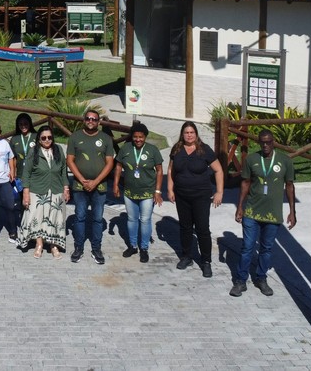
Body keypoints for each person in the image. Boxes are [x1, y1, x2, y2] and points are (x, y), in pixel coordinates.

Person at [230, 129, 297, 297]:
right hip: (252, 211)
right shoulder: (252, 159)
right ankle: (240, 281)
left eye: (269, 142)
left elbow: (289, 186)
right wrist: (240, 206)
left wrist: (292, 211)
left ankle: (261, 278)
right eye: (263, 142)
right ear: (259, 143)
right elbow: (245, 183)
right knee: (247, 247)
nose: (266, 145)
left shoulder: (284, 161)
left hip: (273, 214)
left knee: (266, 249)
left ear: (273, 142)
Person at [167, 121, 224, 277]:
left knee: (202, 229)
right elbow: (171, 169)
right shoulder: (177, 149)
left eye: (192, 132)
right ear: (182, 134)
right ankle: (186, 256)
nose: (189, 135)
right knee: (185, 227)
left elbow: (218, 170)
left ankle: (206, 261)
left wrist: (219, 192)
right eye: (186, 132)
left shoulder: (204, 150)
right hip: (182, 195)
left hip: (201, 196)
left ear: (196, 134)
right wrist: (170, 188)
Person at [66, 109, 114, 264]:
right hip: (80, 186)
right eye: (88, 118)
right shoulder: (75, 137)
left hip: (100, 186)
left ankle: (96, 248)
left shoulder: (106, 138)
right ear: (84, 120)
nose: (91, 121)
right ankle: (78, 248)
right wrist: (82, 180)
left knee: (98, 218)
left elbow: (110, 163)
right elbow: (70, 160)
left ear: (98, 122)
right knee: (80, 217)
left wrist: (96, 181)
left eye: (94, 119)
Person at [112, 121, 163, 262]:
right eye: (135, 137)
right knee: (131, 219)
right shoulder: (126, 148)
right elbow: (118, 166)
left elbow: (159, 171)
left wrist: (157, 191)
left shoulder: (152, 150)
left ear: (145, 137)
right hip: (129, 192)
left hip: (147, 192)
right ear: (132, 137)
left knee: (145, 220)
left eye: (141, 137)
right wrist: (115, 185)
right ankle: (133, 246)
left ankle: (144, 248)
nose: (138, 139)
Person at [20, 125, 70, 258]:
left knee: (55, 218)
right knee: (39, 218)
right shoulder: (33, 151)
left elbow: (64, 170)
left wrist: (66, 188)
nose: (47, 140)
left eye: (50, 137)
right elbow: (26, 173)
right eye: (44, 138)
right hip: (37, 190)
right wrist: (26, 192)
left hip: (56, 189)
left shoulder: (58, 149)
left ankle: (53, 245)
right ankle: (39, 244)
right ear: (39, 140)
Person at [9, 113, 36, 236]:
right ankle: (22, 225)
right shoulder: (14, 139)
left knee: (33, 202)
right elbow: (12, 158)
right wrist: (12, 173)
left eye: (26, 124)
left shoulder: (36, 137)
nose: (23, 126)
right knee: (20, 202)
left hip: (35, 176)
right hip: (19, 176)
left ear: (30, 124)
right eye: (21, 124)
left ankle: (33, 226)